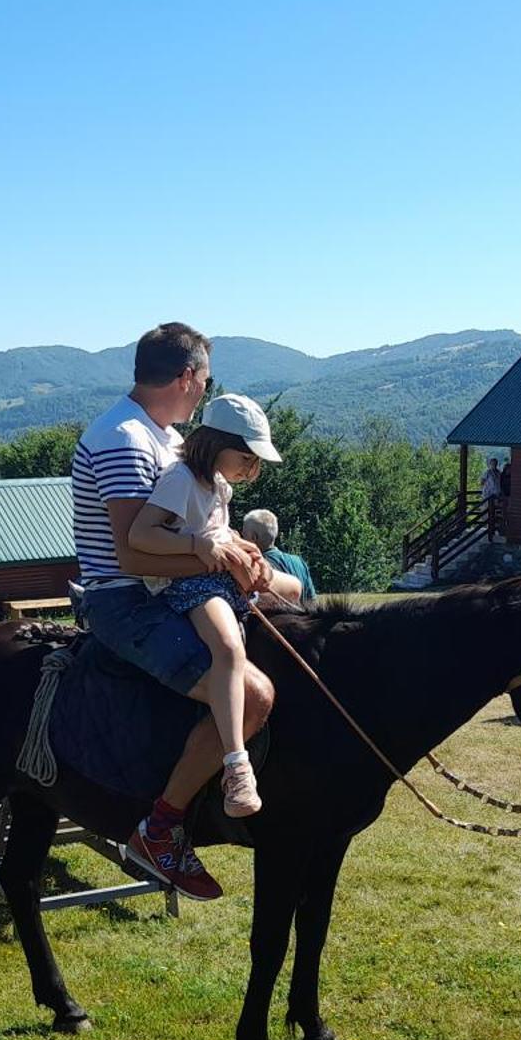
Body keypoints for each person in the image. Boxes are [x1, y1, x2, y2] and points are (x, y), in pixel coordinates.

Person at [69, 322, 288, 902]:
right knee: (255, 693)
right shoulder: (125, 438)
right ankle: (161, 827)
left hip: (171, 587)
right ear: (188, 376)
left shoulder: (160, 437)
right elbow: (133, 553)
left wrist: (237, 554)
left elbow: (197, 532)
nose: (204, 393)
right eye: (205, 380)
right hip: (127, 601)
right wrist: (218, 557)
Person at [127, 394, 284, 821]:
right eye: (247, 457)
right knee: (229, 648)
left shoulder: (218, 485)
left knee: (287, 602)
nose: (252, 469)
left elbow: (217, 529)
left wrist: (239, 545)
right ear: (215, 443)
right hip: (187, 583)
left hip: (213, 577)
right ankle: (236, 764)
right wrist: (198, 545)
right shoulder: (181, 479)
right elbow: (142, 535)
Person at [242, 509, 316, 601]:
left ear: (254, 538)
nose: (241, 539)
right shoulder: (299, 563)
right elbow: (312, 602)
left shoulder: (259, 568)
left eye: (243, 534)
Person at [479, 457, 504, 538]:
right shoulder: (487, 472)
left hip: (496, 496)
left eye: (495, 463)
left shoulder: (499, 473)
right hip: (488, 496)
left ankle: (494, 529)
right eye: (492, 463)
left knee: (495, 512)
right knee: (487, 512)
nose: (494, 465)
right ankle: (488, 529)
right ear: (490, 464)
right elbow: (482, 482)